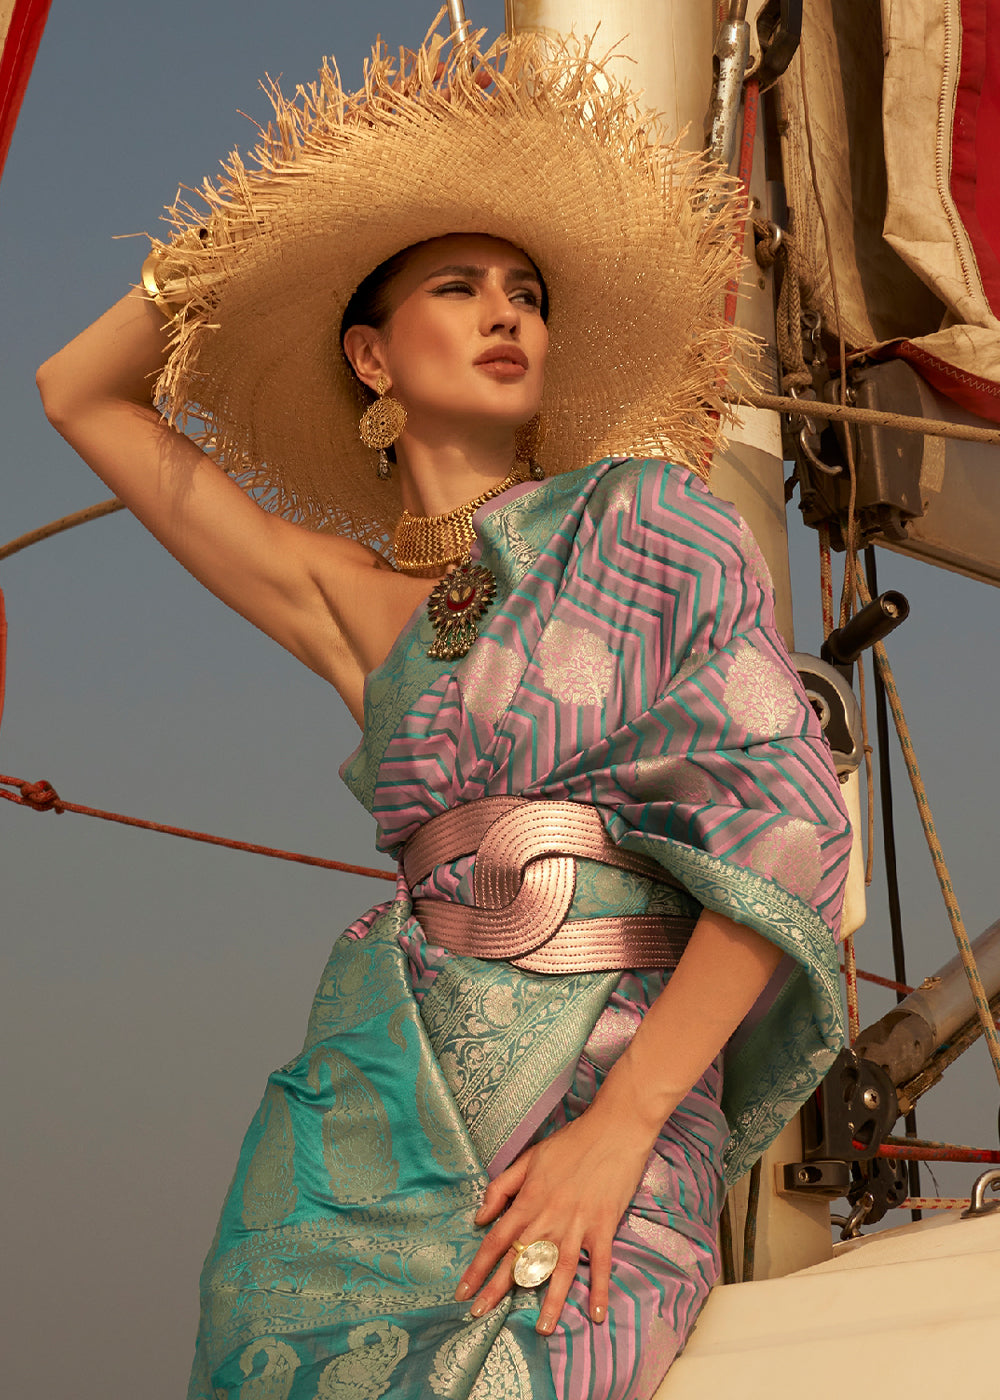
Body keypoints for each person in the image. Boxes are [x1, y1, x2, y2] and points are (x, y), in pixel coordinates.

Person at [36, 23, 851, 1400]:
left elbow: (790, 838)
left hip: (598, 1123)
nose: (505, 313)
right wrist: (258, 222)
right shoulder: (351, 604)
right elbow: (78, 393)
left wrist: (625, 1130)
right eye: (458, 287)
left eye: (527, 292)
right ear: (371, 355)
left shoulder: (649, 525)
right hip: (364, 1128)